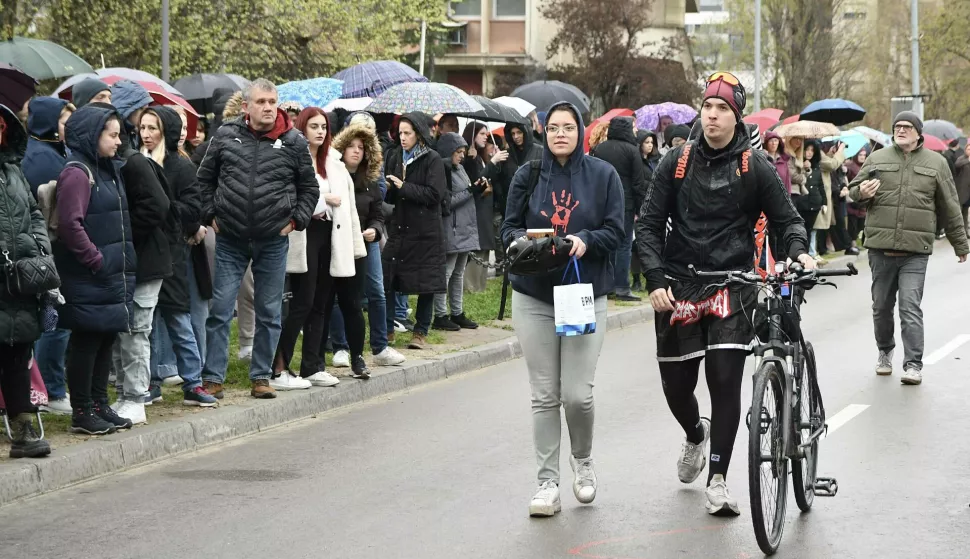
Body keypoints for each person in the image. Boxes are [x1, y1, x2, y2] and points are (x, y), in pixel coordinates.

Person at [637, 72, 813, 516]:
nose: (712, 116)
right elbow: (648, 224)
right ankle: (697, 435)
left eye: (722, 110)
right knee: (677, 386)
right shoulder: (675, 161)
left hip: (734, 285)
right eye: (708, 107)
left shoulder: (754, 166)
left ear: (736, 117)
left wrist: (798, 254)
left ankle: (718, 479)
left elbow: (787, 221)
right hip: (679, 283)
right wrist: (655, 279)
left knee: (724, 379)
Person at [501, 101, 624, 517]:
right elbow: (507, 228)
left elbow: (616, 231)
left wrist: (584, 239)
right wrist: (528, 240)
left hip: (583, 295)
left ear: (581, 132)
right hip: (534, 295)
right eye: (552, 128)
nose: (559, 134)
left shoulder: (604, 175)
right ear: (543, 132)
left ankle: (583, 460)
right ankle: (547, 483)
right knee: (544, 394)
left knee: (576, 395)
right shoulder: (528, 173)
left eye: (568, 127)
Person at [195, 79, 319, 399]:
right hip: (230, 239)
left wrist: (295, 221)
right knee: (220, 310)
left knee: (269, 312)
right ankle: (213, 378)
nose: (268, 107)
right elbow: (204, 179)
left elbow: (309, 188)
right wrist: (210, 216)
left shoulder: (293, 141)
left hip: (273, 239)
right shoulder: (225, 135)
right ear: (246, 106)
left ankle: (261, 376)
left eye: (272, 101)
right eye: (261, 101)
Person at [847, 111, 969, 386]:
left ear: (918, 133)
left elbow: (950, 205)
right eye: (897, 127)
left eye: (906, 127)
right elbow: (853, 190)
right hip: (880, 248)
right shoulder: (878, 158)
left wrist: (960, 243)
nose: (900, 130)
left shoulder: (936, 163)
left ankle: (913, 364)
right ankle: (885, 352)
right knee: (881, 307)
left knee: (910, 307)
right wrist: (861, 193)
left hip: (916, 250)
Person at [272, 107, 369, 386]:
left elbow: (348, 208)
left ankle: (312, 366)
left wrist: (355, 247)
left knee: (322, 302)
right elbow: (291, 199)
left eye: (324, 127)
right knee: (302, 301)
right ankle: (278, 367)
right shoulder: (293, 161)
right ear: (302, 128)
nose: (320, 131)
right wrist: (325, 199)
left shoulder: (335, 163)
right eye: (314, 126)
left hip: (332, 234)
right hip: (304, 233)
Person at [56, 104, 137, 434]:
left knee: (105, 339)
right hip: (90, 275)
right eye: (112, 135)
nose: (119, 142)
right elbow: (70, 225)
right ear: (93, 135)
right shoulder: (77, 173)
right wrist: (96, 260)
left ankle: (100, 404)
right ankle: (82, 411)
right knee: (87, 341)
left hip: (110, 275)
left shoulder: (108, 169)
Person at [140, 106, 218, 407]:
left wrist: (165, 208)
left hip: (172, 253)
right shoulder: (136, 162)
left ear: (166, 132)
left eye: (153, 128)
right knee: (147, 323)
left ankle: (193, 383)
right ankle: (152, 381)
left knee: (178, 318)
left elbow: (192, 209)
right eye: (143, 127)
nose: (146, 134)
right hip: (145, 252)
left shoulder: (181, 166)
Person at [107, 87, 174, 426]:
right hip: (138, 258)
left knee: (136, 330)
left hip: (146, 260)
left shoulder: (133, 161)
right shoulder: (129, 158)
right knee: (126, 330)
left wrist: (124, 231)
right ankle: (125, 394)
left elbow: (159, 206)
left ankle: (136, 397)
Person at [327, 120, 406, 367]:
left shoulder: (370, 180)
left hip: (367, 242)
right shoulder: (333, 178)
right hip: (340, 241)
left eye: (361, 147)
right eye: (351, 145)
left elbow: (378, 213)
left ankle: (380, 346)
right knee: (340, 295)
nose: (356, 150)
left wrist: (374, 229)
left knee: (376, 291)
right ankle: (341, 347)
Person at [0, 104, 53, 457]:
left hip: (18, 279)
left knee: (17, 352)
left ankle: (23, 431)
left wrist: (40, 249)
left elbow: (34, 213)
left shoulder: (12, 169)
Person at [21, 97, 74, 415]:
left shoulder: (39, 152)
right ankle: (52, 390)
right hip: (49, 250)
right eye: (63, 121)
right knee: (55, 320)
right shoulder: (43, 159)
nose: (67, 127)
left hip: (40, 249)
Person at [383, 113, 447, 350]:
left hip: (426, 230)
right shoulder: (393, 156)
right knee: (389, 277)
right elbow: (390, 194)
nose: (402, 137)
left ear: (419, 134)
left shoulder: (433, 159)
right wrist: (388, 187)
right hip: (399, 227)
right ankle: (387, 329)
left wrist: (404, 187)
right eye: (400, 133)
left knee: (426, 283)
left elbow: (435, 195)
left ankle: (420, 331)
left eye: (407, 133)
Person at [590, 116, 646, 301]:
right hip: (626, 203)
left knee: (606, 243)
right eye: (633, 127)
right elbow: (638, 183)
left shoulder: (599, 149)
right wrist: (641, 209)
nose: (635, 130)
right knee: (624, 244)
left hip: (602, 202)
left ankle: (607, 285)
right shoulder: (632, 150)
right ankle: (622, 286)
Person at [432, 132, 481, 331]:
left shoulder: (459, 168)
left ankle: (457, 312)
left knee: (459, 273)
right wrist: (471, 191)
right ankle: (440, 314)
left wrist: (475, 187)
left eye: (462, 151)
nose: (461, 156)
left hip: (465, 228)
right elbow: (447, 202)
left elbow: (466, 190)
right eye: (458, 152)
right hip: (451, 228)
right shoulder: (442, 171)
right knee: (447, 272)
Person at [461, 122, 504, 295]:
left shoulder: (479, 157)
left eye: (487, 133)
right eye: (482, 133)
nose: (486, 136)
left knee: (484, 247)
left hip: (485, 210)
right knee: (476, 249)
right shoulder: (469, 158)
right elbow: (477, 182)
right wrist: (492, 162)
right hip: (474, 211)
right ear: (472, 135)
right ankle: (471, 288)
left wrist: (493, 161)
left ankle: (479, 287)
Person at [953, 142, 970, 232]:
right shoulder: (961, 158)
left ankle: (965, 231)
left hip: (969, 191)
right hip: (961, 190)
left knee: (966, 213)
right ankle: (957, 231)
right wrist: (968, 160)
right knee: (959, 212)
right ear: (965, 150)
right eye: (968, 149)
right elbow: (957, 165)